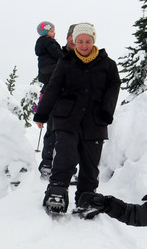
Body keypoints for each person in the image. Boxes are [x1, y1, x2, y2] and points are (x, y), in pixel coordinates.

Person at [33, 22, 121, 214]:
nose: (83, 45)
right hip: (67, 118)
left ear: (93, 41)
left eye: (87, 41)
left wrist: (107, 111)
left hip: (95, 120)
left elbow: (114, 87)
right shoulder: (65, 62)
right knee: (66, 154)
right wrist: (42, 113)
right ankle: (57, 189)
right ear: (74, 41)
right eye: (79, 41)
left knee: (90, 161)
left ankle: (86, 197)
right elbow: (53, 88)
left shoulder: (107, 64)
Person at [37, 23, 78, 179]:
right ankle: (47, 163)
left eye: (78, 38)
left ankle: (68, 167)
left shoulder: (84, 57)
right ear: (67, 38)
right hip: (55, 98)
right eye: (71, 37)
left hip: (74, 101)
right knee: (52, 131)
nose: (74, 41)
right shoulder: (58, 54)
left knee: (71, 136)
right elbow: (46, 79)